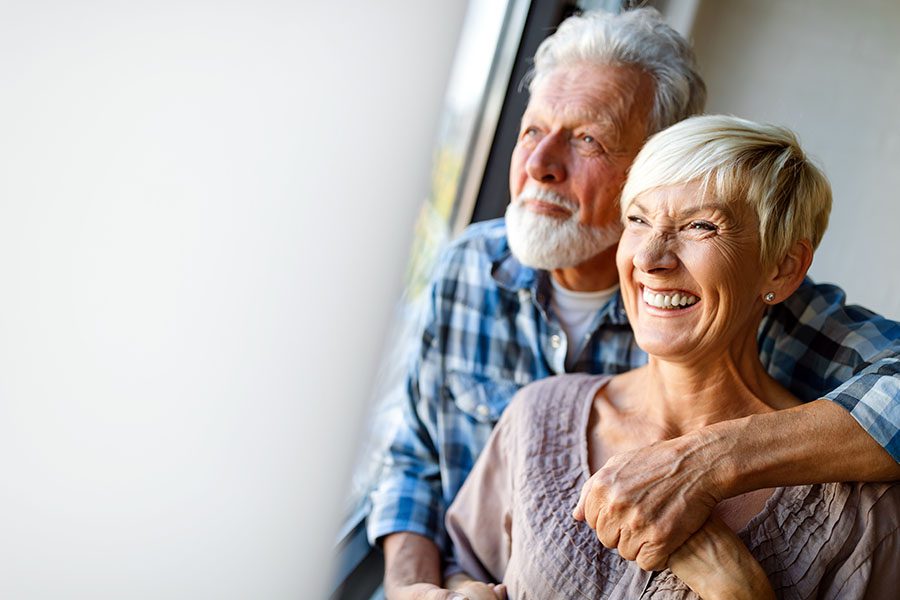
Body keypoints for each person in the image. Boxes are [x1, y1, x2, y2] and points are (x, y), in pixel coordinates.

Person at [367, 9, 900, 599]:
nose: (538, 164)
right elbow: (411, 461)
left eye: (587, 138)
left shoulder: (778, 318)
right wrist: (418, 589)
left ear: (659, 158)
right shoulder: (468, 268)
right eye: (529, 131)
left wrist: (707, 462)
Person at [446, 115, 900, 599]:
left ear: (783, 269)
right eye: (638, 220)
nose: (650, 259)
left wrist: (740, 590)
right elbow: (461, 564)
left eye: (701, 225)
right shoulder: (538, 415)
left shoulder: (864, 512)